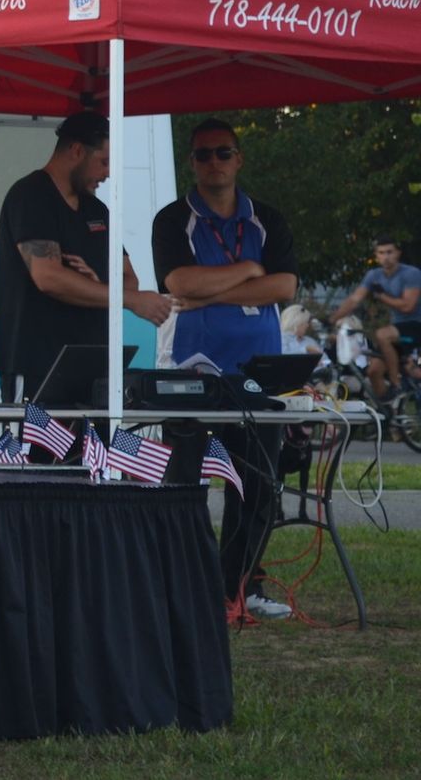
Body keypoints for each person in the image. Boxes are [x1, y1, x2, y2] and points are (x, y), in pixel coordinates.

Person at [151, 118, 299, 621]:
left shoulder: (268, 220)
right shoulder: (173, 219)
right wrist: (249, 270)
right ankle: (184, 585)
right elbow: (179, 281)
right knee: (184, 481)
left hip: (257, 371)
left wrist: (217, 289)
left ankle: (241, 588)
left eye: (222, 152)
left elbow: (285, 289)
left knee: (256, 484)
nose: (213, 162)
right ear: (191, 163)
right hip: (190, 368)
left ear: (239, 159)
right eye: (203, 155)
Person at [0, 110, 173, 402]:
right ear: (76, 151)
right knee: (39, 449)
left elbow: (129, 279)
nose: (108, 173)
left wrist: (99, 283)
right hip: (38, 362)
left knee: (93, 448)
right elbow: (48, 277)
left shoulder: (97, 210)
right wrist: (125, 299)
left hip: (94, 362)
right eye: (104, 161)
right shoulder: (31, 196)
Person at [331, 239, 421, 403]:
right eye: (381, 253)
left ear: (398, 253)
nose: (385, 257)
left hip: (416, 324)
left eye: (389, 252)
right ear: (376, 255)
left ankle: (396, 384)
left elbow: (408, 306)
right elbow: (354, 299)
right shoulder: (374, 275)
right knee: (374, 371)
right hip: (399, 329)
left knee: (382, 335)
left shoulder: (411, 274)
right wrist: (332, 319)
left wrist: (382, 297)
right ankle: (388, 412)